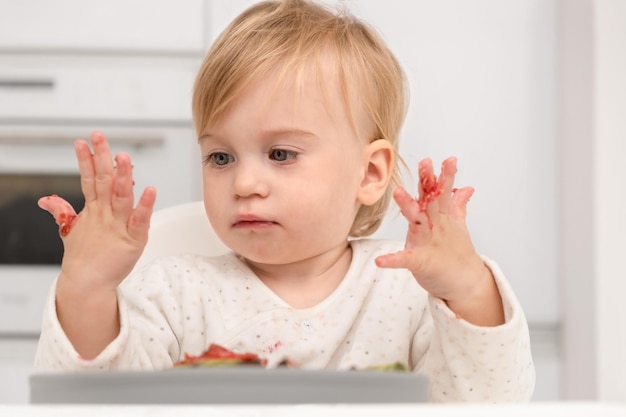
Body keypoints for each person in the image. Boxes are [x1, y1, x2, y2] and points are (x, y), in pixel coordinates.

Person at [33, 0, 535, 402]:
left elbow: (491, 400)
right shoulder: (175, 292)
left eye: (280, 153)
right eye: (221, 157)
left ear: (370, 173)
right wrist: (87, 288)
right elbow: (93, 401)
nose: (245, 183)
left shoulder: (406, 293)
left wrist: (467, 288)